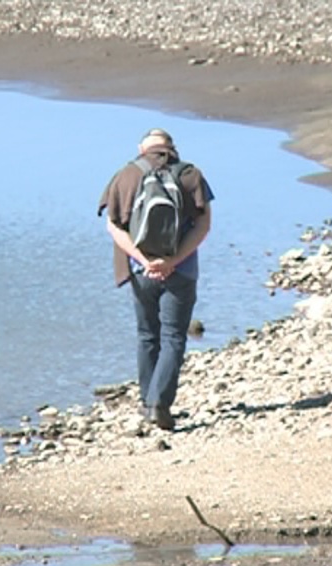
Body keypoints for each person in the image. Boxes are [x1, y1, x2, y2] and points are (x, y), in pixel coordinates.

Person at [97, 128, 214, 431]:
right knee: (174, 336)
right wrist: (172, 261)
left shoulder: (126, 176)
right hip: (182, 270)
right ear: (171, 147)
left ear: (141, 148)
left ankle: (149, 402)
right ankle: (160, 403)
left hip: (140, 272)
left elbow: (113, 227)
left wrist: (144, 261)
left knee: (147, 335)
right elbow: (204, 225)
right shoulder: (189, 174)